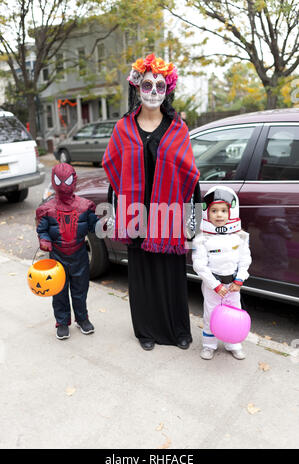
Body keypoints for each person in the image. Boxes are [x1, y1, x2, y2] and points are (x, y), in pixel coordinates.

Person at [102, 53, 200, 351]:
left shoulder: (177, 128)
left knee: (170, 273)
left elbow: (190, 174)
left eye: (160, 85)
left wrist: (191, 217)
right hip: (137, 214)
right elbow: (113, 169)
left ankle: (177, 330)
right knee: (142, 275)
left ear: (167, 89)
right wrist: (117, 213)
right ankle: (145, 331)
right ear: (137, 88)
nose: (154, 92)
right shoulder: (123, 128)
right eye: (147, 85)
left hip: (168, 214)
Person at [36, 163, 98, 340]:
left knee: (80, 290)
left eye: (68, 180)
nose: (64, 184)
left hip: (79, 255)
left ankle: (82, 318)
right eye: (59, 180)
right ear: (54, 181)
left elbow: (94, 227)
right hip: (57, 257)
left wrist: (103, 224)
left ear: (74, 180)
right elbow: (42, 229)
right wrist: (45, 240)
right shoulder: (47, 209)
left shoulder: (86, 206)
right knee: (59, 291)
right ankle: (62, 322)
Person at [192, 186, 252, 360]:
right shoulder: (201, 238)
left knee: (234, 312)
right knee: (211, 313)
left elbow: (245, 260)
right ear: (207, 213)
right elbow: (199, 265)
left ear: (231, 211)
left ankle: (233, 343)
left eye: (224, 210)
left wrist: (239, 280)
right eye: (214, 211)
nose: (219, 215)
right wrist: (215, 285)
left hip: (233, 285)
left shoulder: (241, 236)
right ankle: (209, 345)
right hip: (213, 285)